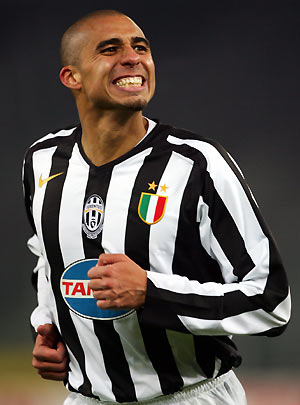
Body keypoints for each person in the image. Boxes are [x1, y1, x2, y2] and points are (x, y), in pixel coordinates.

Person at [22, 9, 291, 405]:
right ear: (72, 77)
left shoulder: (198, 164)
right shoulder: (41, 161)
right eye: (110, 49)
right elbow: (47, 260)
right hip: (86, 399)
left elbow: (271, 301)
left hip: (190, 396)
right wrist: (46, 329)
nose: (132, 58)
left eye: (141, 47)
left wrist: (151, 291)